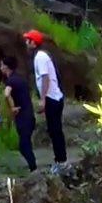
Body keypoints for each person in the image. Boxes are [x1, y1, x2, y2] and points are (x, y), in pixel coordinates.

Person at [23, 31, 67, 165]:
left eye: (28, 40)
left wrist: (43, 99)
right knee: (54, 130)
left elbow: (45, 77)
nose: (26, 43)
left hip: (51, 97)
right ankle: (60, 159)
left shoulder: (40, 57)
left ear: (33, 42)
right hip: (54, 96)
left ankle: (61, 160)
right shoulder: (41, 55)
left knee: (55, 131)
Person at [0, 53, 37, 172]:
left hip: (23, 116)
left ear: (6, 67)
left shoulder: (11, 81)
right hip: (29, 114)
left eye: (2, 65)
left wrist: (12, 107)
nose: (0, 67)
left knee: (23, 145)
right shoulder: (21, 79)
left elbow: (6, 94)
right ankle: (33, 167)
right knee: (26, 143)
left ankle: (34, 168)